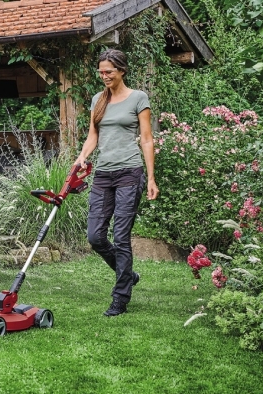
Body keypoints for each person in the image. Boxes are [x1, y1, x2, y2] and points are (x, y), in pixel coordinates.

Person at [73, 49, 159, 316]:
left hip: (129, 173)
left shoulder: (138, 98)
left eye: (108, 71)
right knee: (95, 236)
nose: (104, 76)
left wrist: (151, 178)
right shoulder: (98, 100)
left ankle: (120, 297)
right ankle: (128, 275)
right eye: (101, 72)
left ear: (122, 70)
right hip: (103, 174)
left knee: (121, 237)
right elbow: (93, 135)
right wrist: (82, 157)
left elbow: (146, 139)